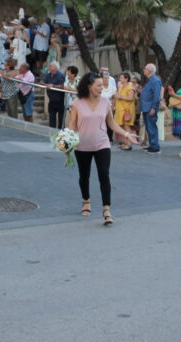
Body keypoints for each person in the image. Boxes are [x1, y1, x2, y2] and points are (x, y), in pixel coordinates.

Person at [69, 72, 139, 226]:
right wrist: (67, 142)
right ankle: (86, 201)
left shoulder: (106, 102)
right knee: (84, 176)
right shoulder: (77, 102)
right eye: (99, 85)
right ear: (89, 86)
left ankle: (106, 209)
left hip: (102, 143)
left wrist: (127, 134)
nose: (102, 88)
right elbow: (72, 124)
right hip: (82, 145)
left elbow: (111, 124)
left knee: (104, 175)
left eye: (102, 85)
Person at [139, 64, 162, 153]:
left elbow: (156, 96)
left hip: (150, 108)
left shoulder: (155, 81)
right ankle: (152, 144)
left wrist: (154, 107)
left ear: (150, 71)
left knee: (151, 126)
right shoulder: (149, 81)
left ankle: (155, 146)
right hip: (146, 107)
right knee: (149, 127)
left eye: (145, 69)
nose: (144, 70)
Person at [113, 72, 136, 151]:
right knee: (122, 126)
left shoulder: (130, 87)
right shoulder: (121, 87)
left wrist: (120, 97)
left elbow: (131, 98)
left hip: (127, 110)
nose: (120, 79)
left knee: (127, 126)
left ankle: (129, 144)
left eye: (122, 78)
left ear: (126, 79)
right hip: (121, 110)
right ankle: (125, 142)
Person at [43, 61, 66, 129]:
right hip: (51, 101)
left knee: (61, 120)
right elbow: (41, 81)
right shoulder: (48, 74)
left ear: (55, 67)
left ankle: (61, 134)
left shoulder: (60, 75)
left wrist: (53, 86)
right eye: (49, 66)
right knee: (51, 119)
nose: (49, 67)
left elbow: (62, 86)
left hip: (60, 101)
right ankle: (51, 134)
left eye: (50, 66)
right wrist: (46, 84)